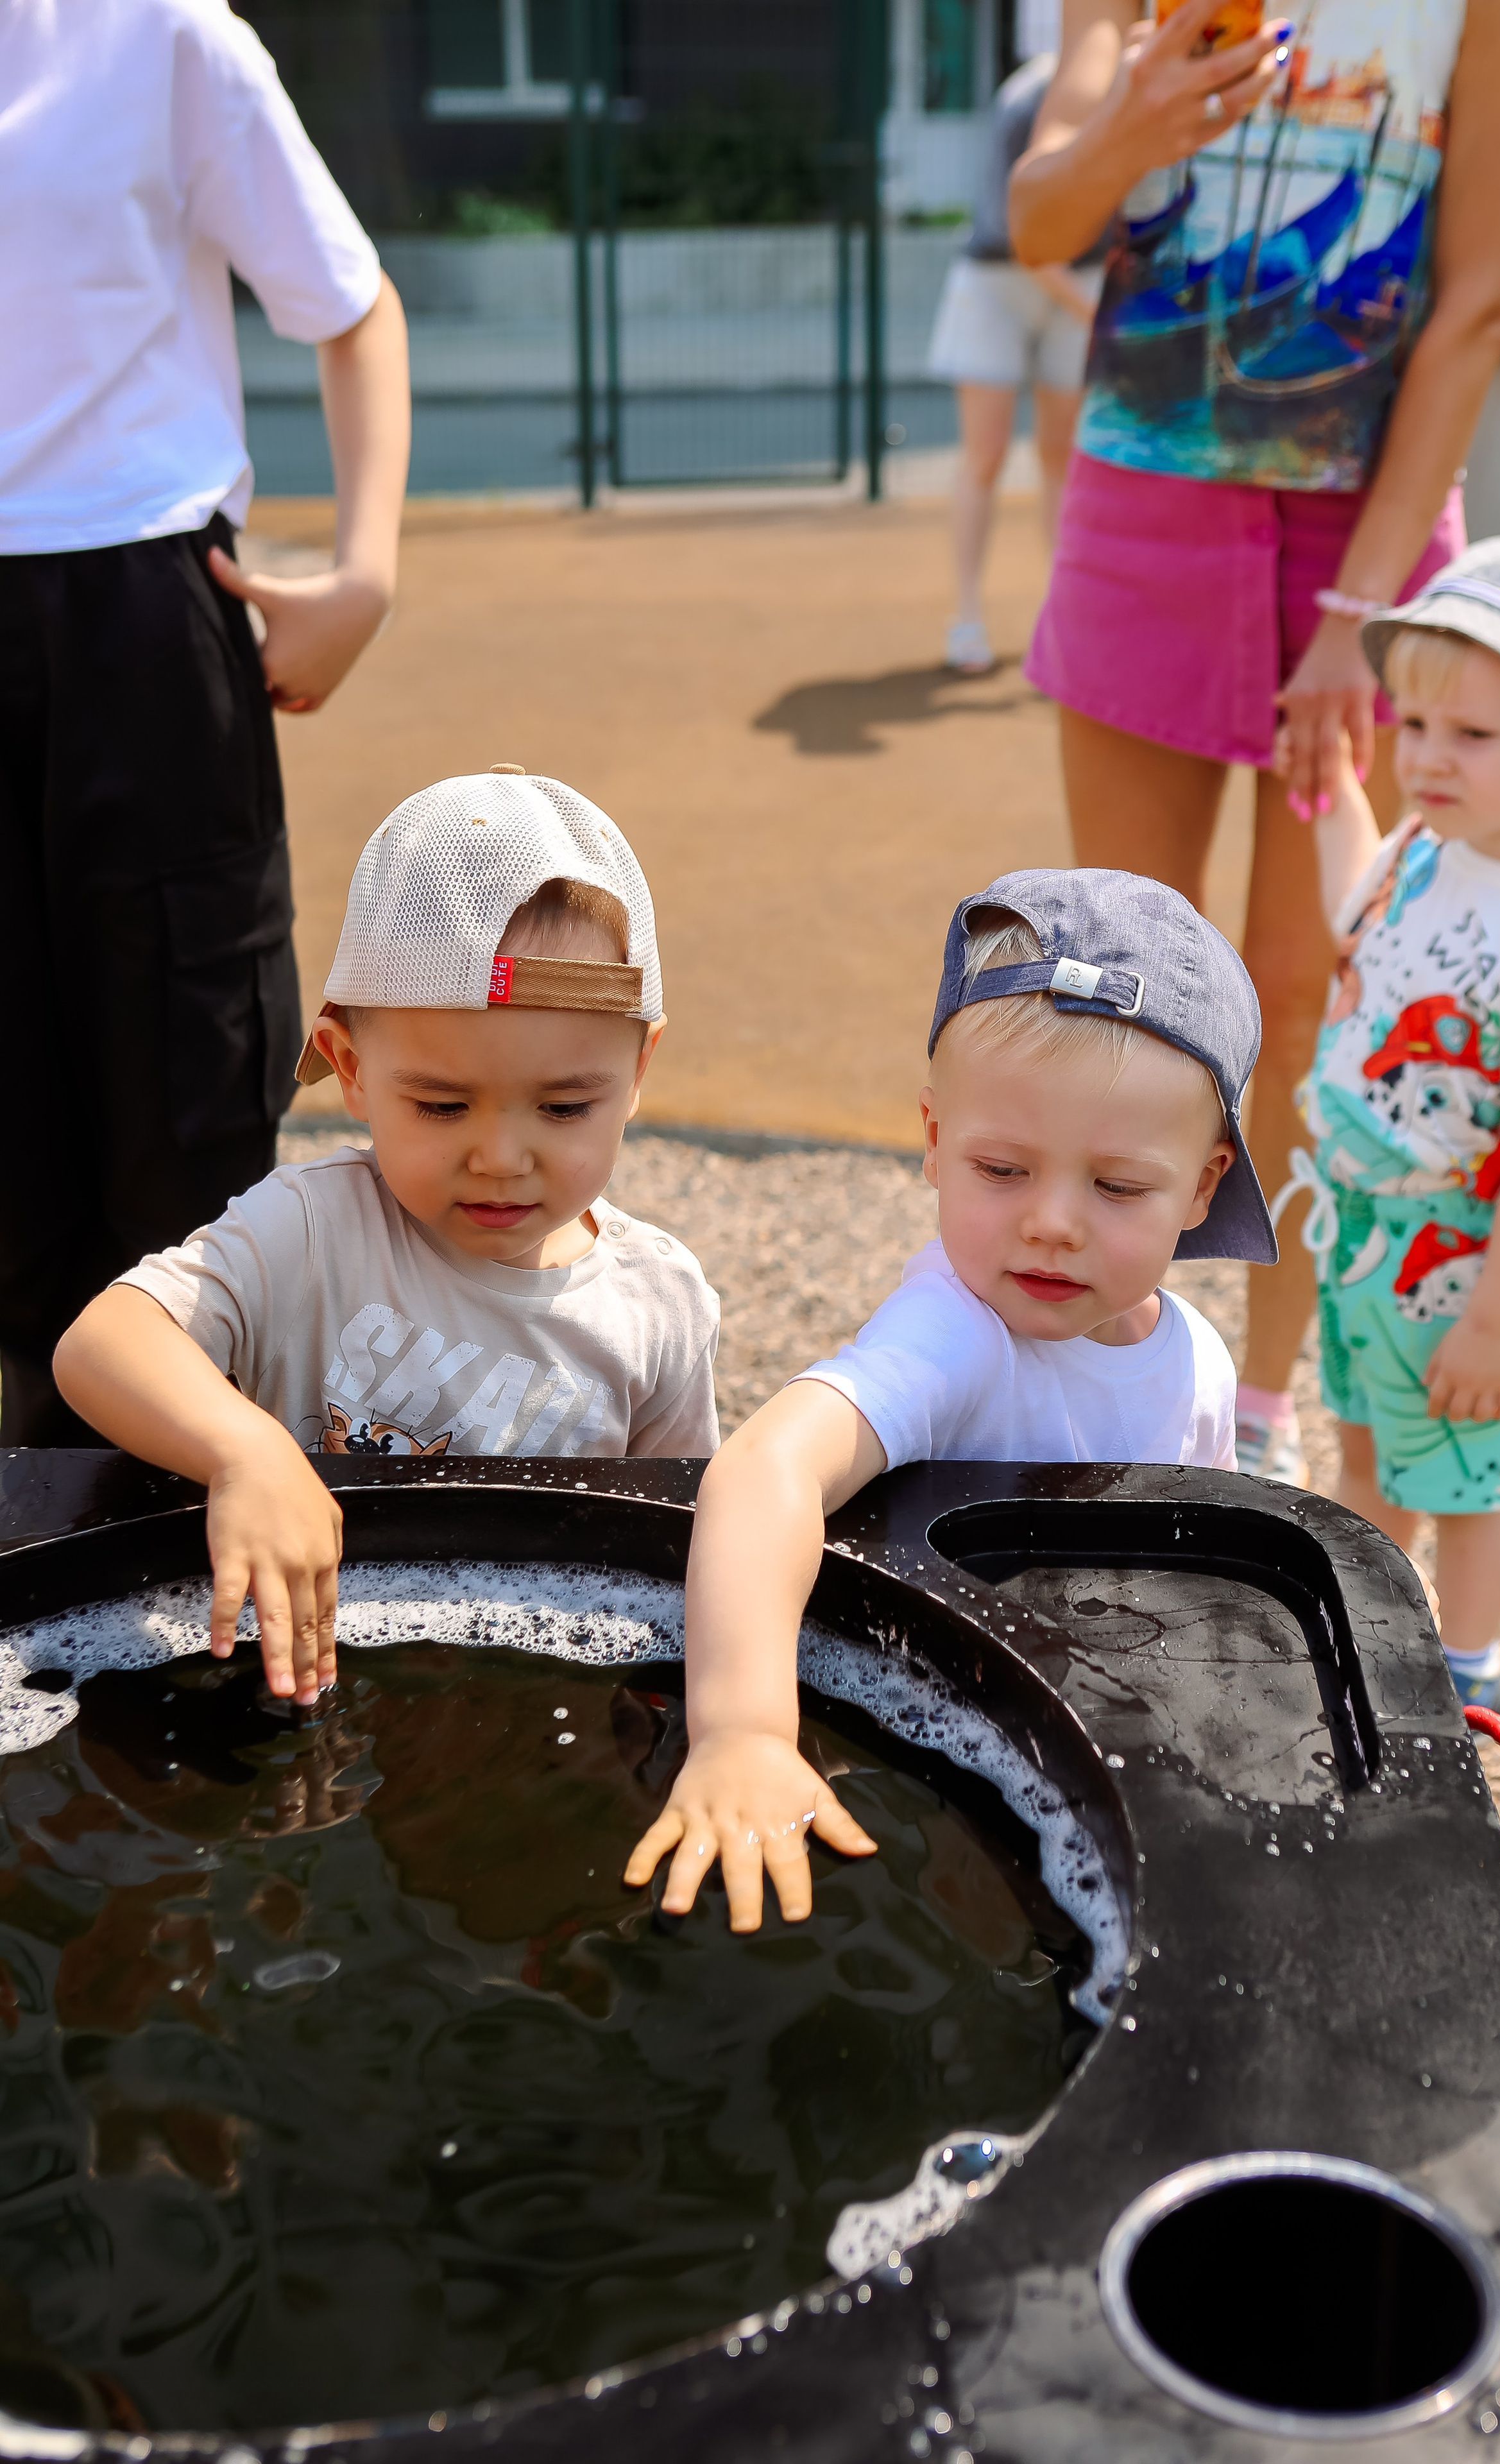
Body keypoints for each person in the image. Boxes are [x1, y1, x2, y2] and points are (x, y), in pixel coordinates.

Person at [1007, 0, 1500, 1485]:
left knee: (1312, 1007)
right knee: (1121, 999)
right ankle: (1109, 1387)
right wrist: (1139, 116)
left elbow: (1477, 305)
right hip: (1142, 507)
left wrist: (1360, 614)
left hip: (1367, 534)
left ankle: (1258, 1417)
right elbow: (1036, 220)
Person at [624, 870, 1275, 1930]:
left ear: (1203, 1188)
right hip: (938, 1759)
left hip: (1087, 1746)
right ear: (933, 1141)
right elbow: (764, 1470)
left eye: (1116, 1188)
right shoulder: (961, 1336)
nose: (1053, 1223)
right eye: (1003, 1170)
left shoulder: (1197, 1358)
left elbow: (1203, 1577)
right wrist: (742, 1733)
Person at [54, 769, 720, 1706]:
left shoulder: (657, 1306)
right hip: (296, 1685)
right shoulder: (313, 1229)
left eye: (566, 1106)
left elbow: (682, 1543)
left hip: (527, 1708)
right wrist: (245, 1451)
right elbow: (101, 1345)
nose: (500, 1157)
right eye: (442, 1105)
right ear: (351, 1069)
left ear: (640, 1068)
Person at [0, 0, 413, 1443]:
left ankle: (222, 1502)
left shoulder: (159, 37)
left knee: (184, 1107)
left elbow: (351, 301)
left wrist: (365, 568)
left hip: (138, 618)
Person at [1279, 535, 1500, 1711]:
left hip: (1459, 1268)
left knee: (1475, 1487)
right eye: (1417, 725)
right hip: (1362, 1236)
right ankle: (1367, 1627)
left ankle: (1470, 1679)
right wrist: (1337, 794)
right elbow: (1354, 917)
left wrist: (1492, 1326)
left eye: (1472, 736)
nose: (1428, 757)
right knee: (1368, 1457)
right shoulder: (1433, 845)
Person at [928, 42, 1102, 675]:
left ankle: (1063, 620)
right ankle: (966, 615)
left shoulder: (1137, 91)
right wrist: (1092, 311)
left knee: (1061, 457)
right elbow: (1022, 235)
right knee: (986, 454)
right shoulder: (1026, 98)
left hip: (1078, 287)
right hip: (997, 281)